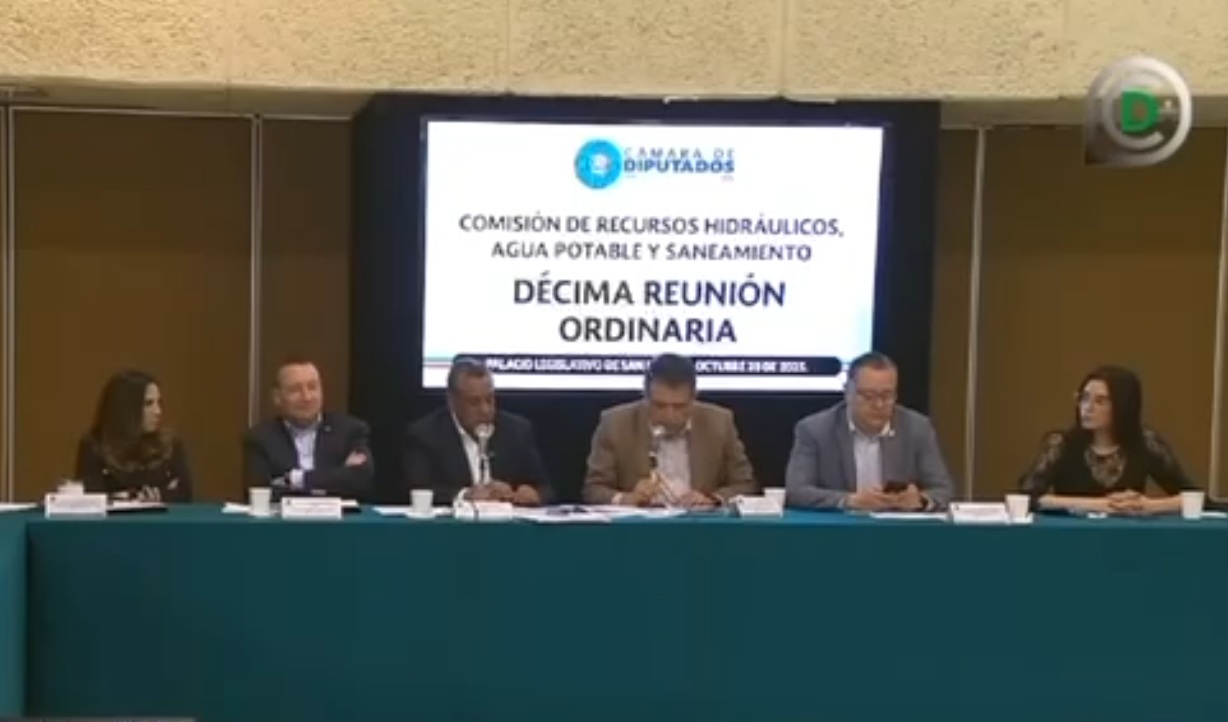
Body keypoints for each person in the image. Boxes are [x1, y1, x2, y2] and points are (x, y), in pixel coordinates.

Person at [1018, 365, 1200, 515]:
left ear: (1123, 406)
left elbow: (1195, 498)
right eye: (1084, 398)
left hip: (1127, 538)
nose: (1087, 408)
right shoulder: (1060, 443)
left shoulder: (1145, 442)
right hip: (1073, 537)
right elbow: (1027, 498)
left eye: (1100, 401)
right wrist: (1098, 505)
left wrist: (1147, 506)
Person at [785, 352, 954, 511]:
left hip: (896, 527)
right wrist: (850, 500)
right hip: (841, 528)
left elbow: (943, 489)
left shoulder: (917, 428)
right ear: (847, 392)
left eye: (887, 396)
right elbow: (796, 491)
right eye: (868, 396)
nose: (879, 405)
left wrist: (920, 500)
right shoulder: (815, 430)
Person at [583, 353, 757, 507]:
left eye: (679, 406)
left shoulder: (719, 422)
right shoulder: (615, 424)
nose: (669, 415)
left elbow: (745, 484)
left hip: (698, 526)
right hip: (638, 527)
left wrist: (712, 499)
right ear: (646, 396)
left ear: (693, 398)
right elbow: (593, 489)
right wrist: (625, 498)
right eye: (659, 406)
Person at [403, 356, 549, 505]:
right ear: (452, 401)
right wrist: (465, 495)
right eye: (474, 402)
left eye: (489, 400)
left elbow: (546, 488)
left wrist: (533, 494)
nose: (485, 410)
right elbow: (419, 489)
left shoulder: (517, 431)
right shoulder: (426, 434)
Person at [242, 358, 374, 500]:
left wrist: (296, 479)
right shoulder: (260, 438)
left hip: (338, 515)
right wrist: (333, 480)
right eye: (295, 390)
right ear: (277, 397)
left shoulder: (350, 430)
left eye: (312, 387)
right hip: (284, 515)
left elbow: (360, 480)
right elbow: (259, 494)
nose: (306, 397)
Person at [74, 369, 194, 502]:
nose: (158, 411)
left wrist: (157, 496)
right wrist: (141, 496)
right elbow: (93, 498)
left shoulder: (170, 445)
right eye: (148, 404)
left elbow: (184, 493)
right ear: (126, 407)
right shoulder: (94, 446)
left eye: (159, 403)